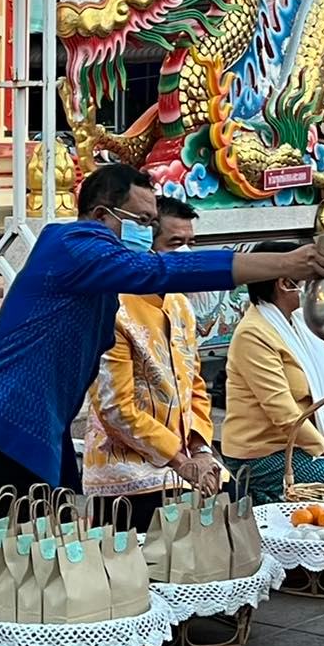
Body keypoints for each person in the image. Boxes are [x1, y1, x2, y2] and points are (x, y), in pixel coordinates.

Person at [0, 163, 324, 545]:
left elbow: (192, 383)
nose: (148, 236)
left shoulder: (112, 288)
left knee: (26, 558)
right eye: (142, 222)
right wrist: (287, 262)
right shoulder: (72, 244)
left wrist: (198, 450)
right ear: (101, 215)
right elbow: (158, 273)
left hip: (29, 436)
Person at [81, 197, 222, 531]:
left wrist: (201, 450)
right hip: (128, 473)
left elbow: (195, 385)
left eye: (190, 243)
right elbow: (116, 408)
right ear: (147, 247)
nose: (185, 254)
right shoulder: (114, 308)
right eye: (174, 244)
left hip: (186, 462)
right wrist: (180, 460)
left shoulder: (180, 304)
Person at [221, 240, 324, 501]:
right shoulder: (254, 333)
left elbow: (323, 377)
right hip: (264, 454)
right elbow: (282, 412)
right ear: (285, 283)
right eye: (309, 279)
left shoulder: (302, 321)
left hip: (308, 442)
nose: (315, 287)